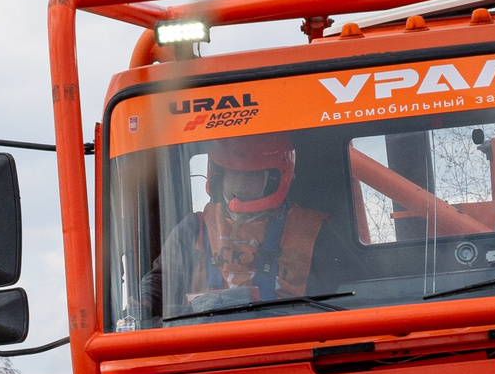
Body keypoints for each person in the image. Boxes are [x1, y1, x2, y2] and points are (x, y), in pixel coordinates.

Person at [148, 133, 354, 317]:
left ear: (275, 178)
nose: (238, 185)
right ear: (219, 174)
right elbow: (161, 281)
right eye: (232, 173)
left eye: (252, 175)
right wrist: (143, 302)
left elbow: (354, 288)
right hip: (208, 342)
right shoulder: (195, 227)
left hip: (291, 337)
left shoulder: (313, 230)